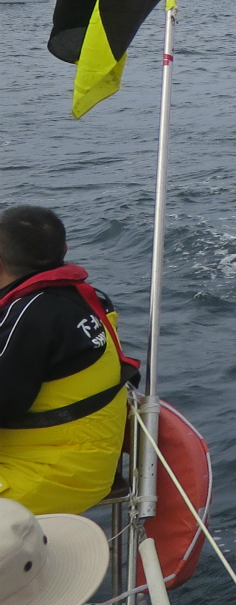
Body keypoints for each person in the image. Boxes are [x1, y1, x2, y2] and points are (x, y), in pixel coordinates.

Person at [0, 206, 136, 517]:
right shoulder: (86, 297)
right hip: (89, 463)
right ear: (63, 251)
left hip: (46, 473)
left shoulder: (27, 318)